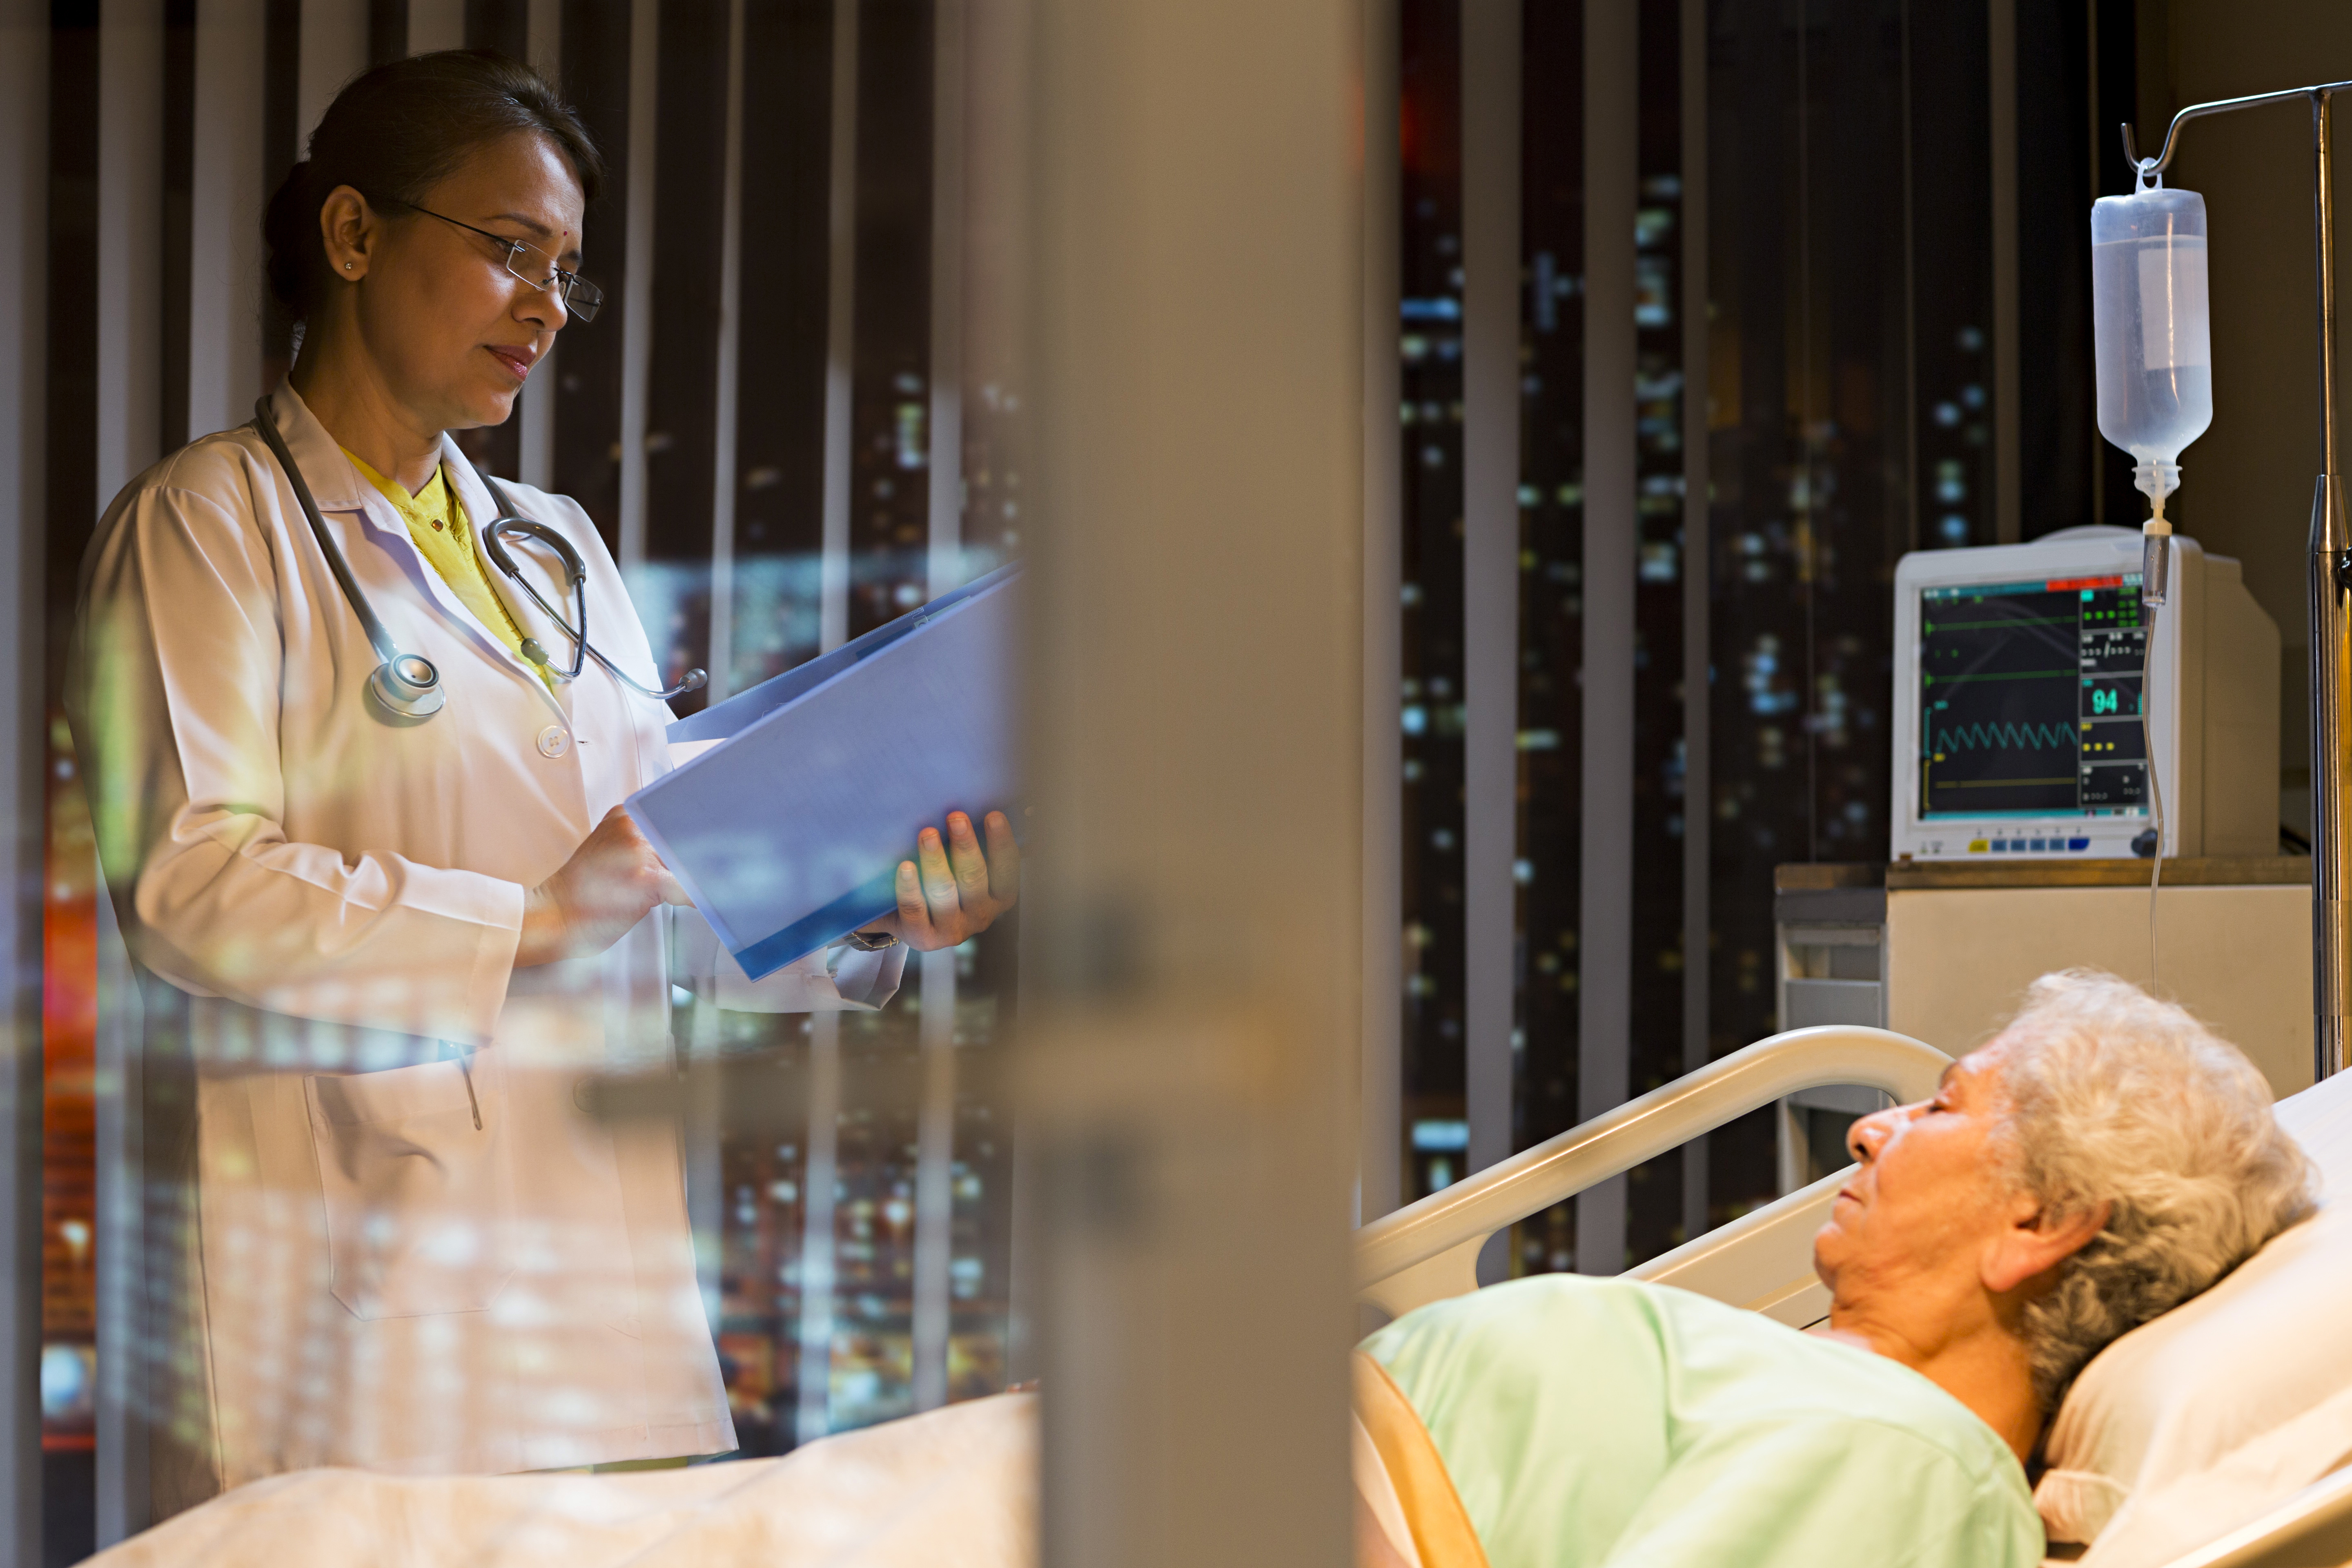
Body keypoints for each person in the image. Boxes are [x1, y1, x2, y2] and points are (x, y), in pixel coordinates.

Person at [65, 50, 1016, 1514]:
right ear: (355, 236)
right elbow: (189, 887)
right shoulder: (209, 523)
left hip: (611, 1293)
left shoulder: (554, 544)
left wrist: (868, 909)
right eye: (513, 251)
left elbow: (663, 861)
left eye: (568, 272)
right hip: (368, 1305)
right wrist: (536, 919)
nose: (548, 308)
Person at [1354, 970, 2314, 1568]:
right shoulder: (1852, 1408)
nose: (1867, 1129)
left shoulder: (1917, 1461)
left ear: (2045, 1221)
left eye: (1941, 1108)